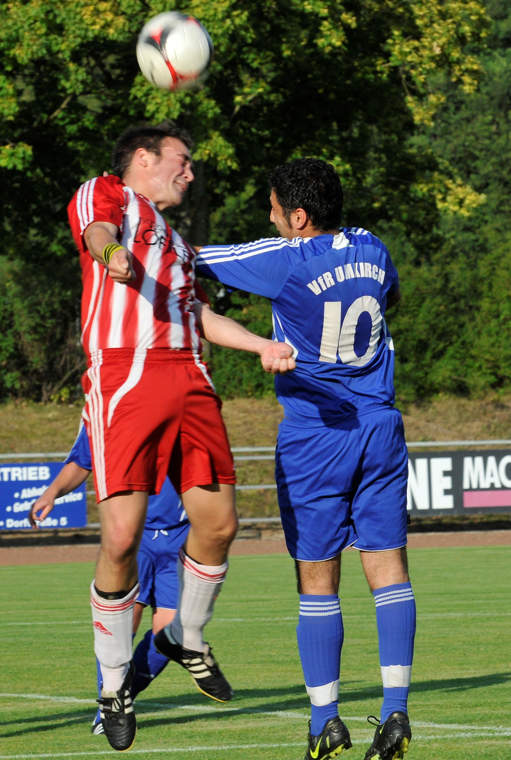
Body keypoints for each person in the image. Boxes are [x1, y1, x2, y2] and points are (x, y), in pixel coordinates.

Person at [67, 121, 295, 751]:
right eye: (182, 160)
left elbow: (197, 314)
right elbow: (97, 231)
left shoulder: (177, 243)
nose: (190, 172)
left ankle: (184, 633)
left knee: (219, 525)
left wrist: (261, 344)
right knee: (121, 538)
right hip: (127, 377)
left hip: (189, 376)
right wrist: (112, 256)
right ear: (144, 159)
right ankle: (115, 683)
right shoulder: (110, 194)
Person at [193, 158, 416, 760]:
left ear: (297, 216)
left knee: (317, 578)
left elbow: (189, 257)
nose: (269, 219)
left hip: (317, 434)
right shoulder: (373, 246)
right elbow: (390, 296)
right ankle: (396, 710)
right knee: (389, 568)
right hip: (380, 425)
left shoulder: (288, 257)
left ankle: (325, 720)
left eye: (273, 210)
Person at [29, 420, 226, 736]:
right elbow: (82, 461)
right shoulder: (105, 411)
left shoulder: (186, 405)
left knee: (172, 632)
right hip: (133, 533)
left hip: (183, 536)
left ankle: (117, 703)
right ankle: (109, 709)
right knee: (122, 625)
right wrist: (52, 493)